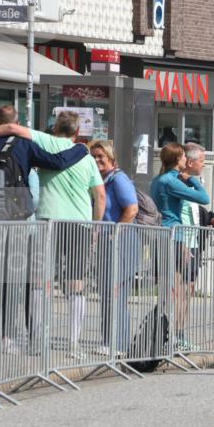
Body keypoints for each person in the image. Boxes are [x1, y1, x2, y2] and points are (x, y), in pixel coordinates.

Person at [0, 106, 88, 353]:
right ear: (16, 122)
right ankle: (5, 338)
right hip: (14, 222)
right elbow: (57, 162)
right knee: (8, 279)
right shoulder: (22, 146)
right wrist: (81, 149)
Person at [0, 110, 106, 360]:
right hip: (78, 224)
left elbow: (13, 129)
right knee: (76, 284)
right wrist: (96, 226)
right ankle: (73, 343)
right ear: (77, 131)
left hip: (46, 221)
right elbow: (100, 195)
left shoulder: (43, 140)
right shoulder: (85, 156)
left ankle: (37, 341)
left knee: (40, 282)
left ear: (56, 128)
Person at [150, 142, 210, 351]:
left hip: (166, 234)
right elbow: (204, 197)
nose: (186, 161)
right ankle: (172, 335)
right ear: (177, 160)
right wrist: (192, 179)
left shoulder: (158, 179)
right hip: (175, 236)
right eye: (184, 157)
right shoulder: (171, 180)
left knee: (174, 288)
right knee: (178, 289)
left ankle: (170, 333)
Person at [91, 140, 138, 356]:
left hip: (122, 244)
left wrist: (116, 235)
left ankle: (118, 344)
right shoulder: (101, 181)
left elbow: (131, 209)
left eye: (101, 156)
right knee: (108, 294)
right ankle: (109, 341)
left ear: (111, 158)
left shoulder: (118, 179)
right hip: (107, 244)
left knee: (116, 294)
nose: (97, 160)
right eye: (94, 156)